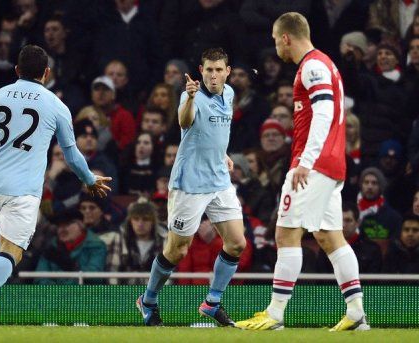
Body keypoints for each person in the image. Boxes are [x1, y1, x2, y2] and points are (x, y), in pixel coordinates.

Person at [0, 45, 112, 327]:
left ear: (17, 71)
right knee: (14, 251)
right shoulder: (55, 104)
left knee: (4, 241)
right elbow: (70, 152)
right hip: (22, 191)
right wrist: (90, 180)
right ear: (46, 73)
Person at [236, 13, 369, 332]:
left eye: (274, 38)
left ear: (285, 38)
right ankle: (356, 314)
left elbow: (324, 113)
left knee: (286, 233)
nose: (274, 45)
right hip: (333, 163)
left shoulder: (311, 66)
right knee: (329, 236)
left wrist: (306, 162)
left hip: (315, 164)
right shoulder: (326, 64)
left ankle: (275, 313)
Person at [137, 48, 245, 327]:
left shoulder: (229, 94)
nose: (213, 74)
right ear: (201, 70)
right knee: (177, 250)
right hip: (190, 184)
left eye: (219, 69)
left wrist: (222, 154)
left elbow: (217, 132)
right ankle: (148, 300)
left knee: (236, 243)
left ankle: (212, 302)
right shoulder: (190, 95)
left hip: (219, 179)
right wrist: (191, 98)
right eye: (209, 69)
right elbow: (185, 122)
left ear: (227, 71)